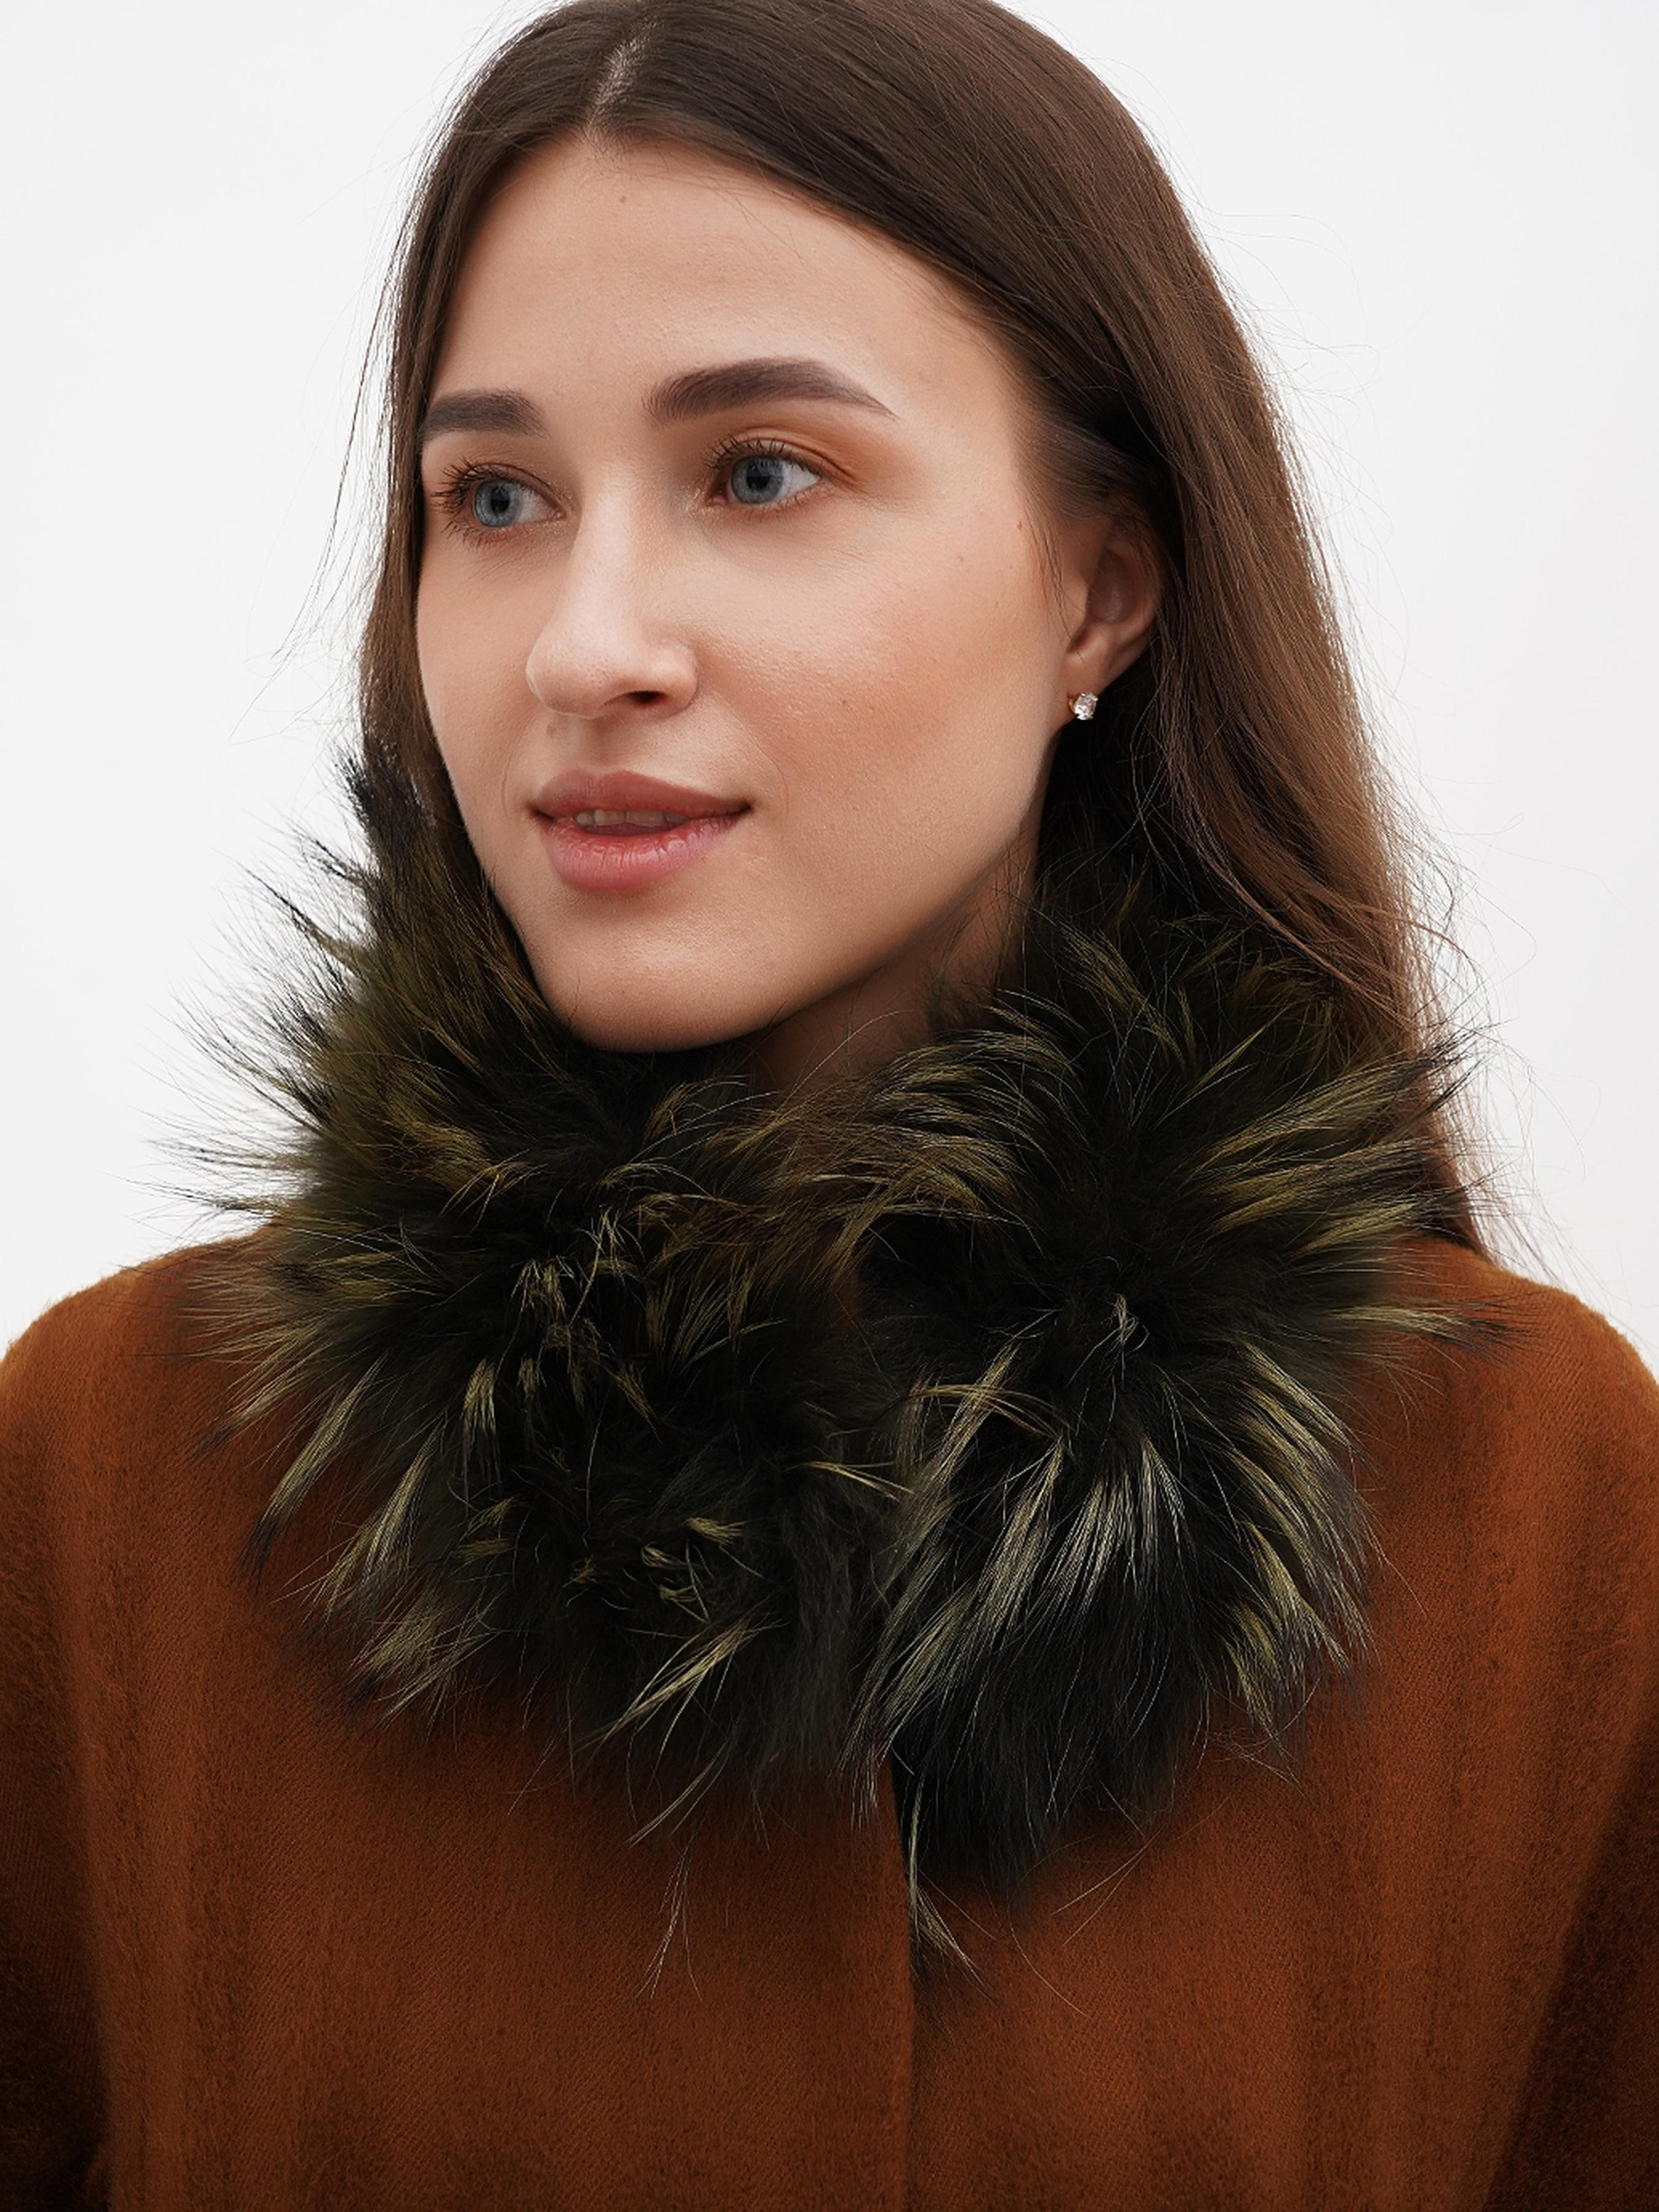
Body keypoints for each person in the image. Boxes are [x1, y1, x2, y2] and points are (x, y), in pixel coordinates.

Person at [2, 0, 1655, 2202]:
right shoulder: (113, 1476)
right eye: (495, 497)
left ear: (1100, 586)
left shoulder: (1541, 1512)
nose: (582, 641)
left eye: (760, 473)